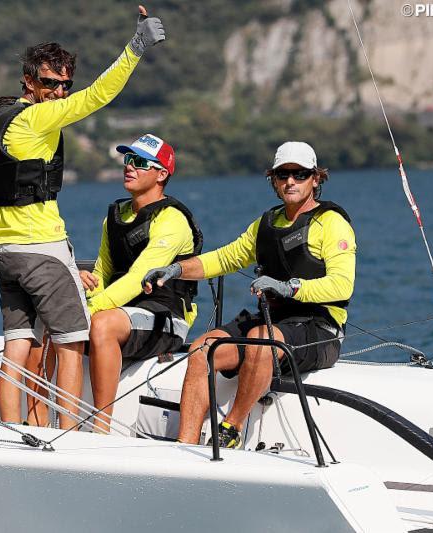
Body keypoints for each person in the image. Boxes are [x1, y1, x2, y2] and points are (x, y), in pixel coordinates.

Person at [0, 6, 166, 429]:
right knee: (71, 342)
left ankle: (14, 430)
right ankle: (69, 436)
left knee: (18, 346)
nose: (60, 92)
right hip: (41, 249)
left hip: (4, 251)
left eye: (65, 84)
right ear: (29, 80)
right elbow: (98, 95)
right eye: (50, 83)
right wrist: (135, 48)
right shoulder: (37, 116)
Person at [143, 141, 356, 448]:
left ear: (316, 179)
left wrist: (289, 287)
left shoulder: (332, 223)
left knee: (261, 340)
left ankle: (232, 427)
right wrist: (175, 270)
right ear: (274, 179)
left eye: (300, 174)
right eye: (283, 175)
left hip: (320, 329)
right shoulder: (266, 224)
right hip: (272, 324)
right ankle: (186, 444)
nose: (290, 182)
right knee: (204, 348)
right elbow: (225, 258)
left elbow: (342, 285)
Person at [80, 134, 202, 433]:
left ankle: (100, 427)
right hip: (123, 311)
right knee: (59, 320)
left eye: (139, 162)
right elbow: (103, 272)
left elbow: (138, 278)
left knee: (103, 323)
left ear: (162, 174)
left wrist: (92, 309)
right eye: (127, 160)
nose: (129, 167)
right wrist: (84, 292)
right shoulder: (114, 217)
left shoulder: (172, 220)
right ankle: (55, 421)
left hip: (168, 317)